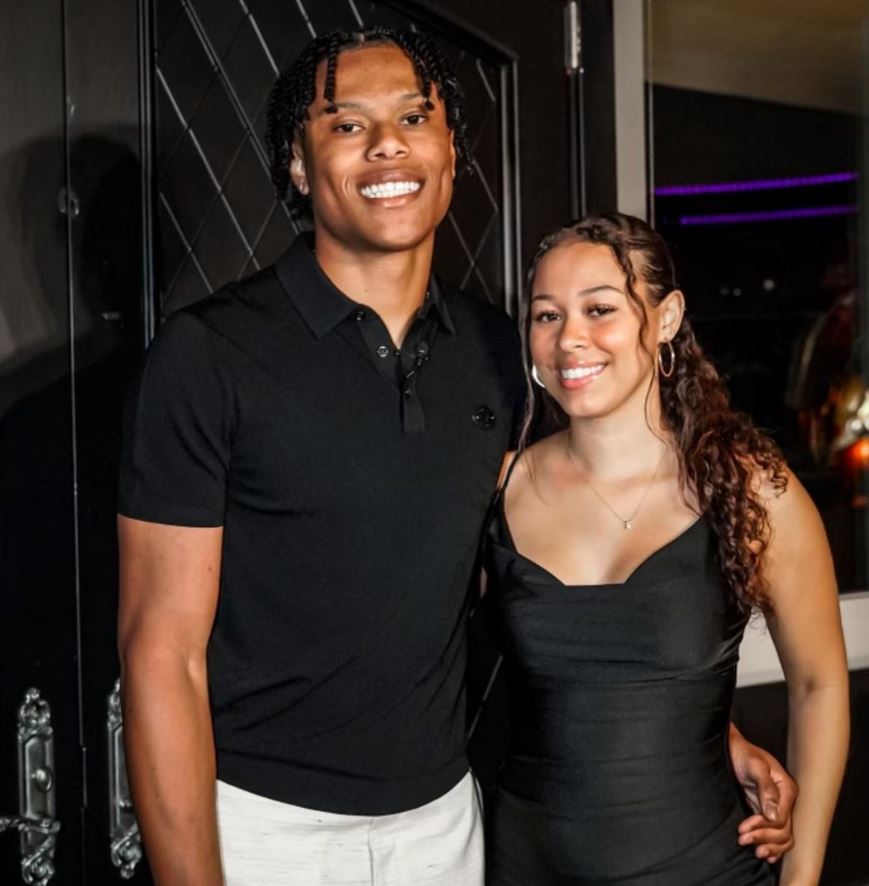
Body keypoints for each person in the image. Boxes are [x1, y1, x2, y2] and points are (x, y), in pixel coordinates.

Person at [117, 29, 796, 886]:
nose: (386, 144)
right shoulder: (208, 355)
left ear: (451, 154)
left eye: (412, 118)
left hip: (443, 826)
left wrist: (703, 728)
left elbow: (535, 582)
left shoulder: (498, 351)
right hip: (261, 827)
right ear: (298, 165)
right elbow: (160, 655)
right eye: (346, 125)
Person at [483, 213, 849, 885]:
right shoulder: (497, 488)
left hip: (704, 867)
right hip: (523, 866)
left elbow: (817, 683)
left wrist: (802, 878)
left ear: (667, 317)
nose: (569, 339)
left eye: (599, 309)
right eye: (546, 315)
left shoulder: (749, 488)